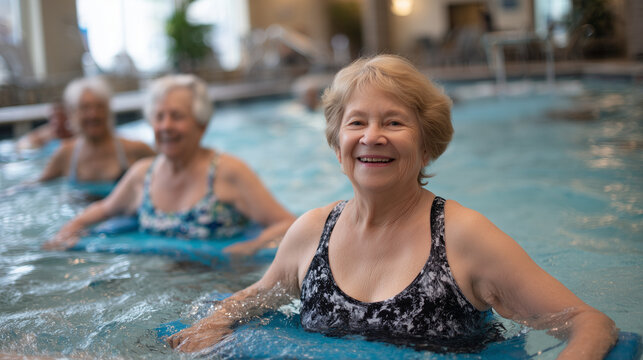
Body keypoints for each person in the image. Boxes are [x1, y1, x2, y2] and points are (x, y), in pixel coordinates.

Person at [167, 55, 617, 358]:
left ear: (426, 144)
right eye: (357, 122)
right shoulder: (310, 233)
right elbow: (252, 299)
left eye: (394, 122)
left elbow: (587, 321)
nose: (371, 136)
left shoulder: (465, 238)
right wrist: (213, 326)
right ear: (337, 142)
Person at [43, 74, 295, 256]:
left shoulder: (228, 172)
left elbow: (287, 224)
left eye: (177, 116)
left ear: (201, 124)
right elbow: (104, 209)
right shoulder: (143, 174)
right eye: (159, 117)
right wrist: (70, 229)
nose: (165, 126)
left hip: (218, 286)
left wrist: (251, 247)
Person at [37, 77, 155, 186]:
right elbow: (36, 186)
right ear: (72, 113)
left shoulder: (135, 149)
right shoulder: (65, 154)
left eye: (99, 107)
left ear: (108, 110)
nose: (93, 114)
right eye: (85, 108)